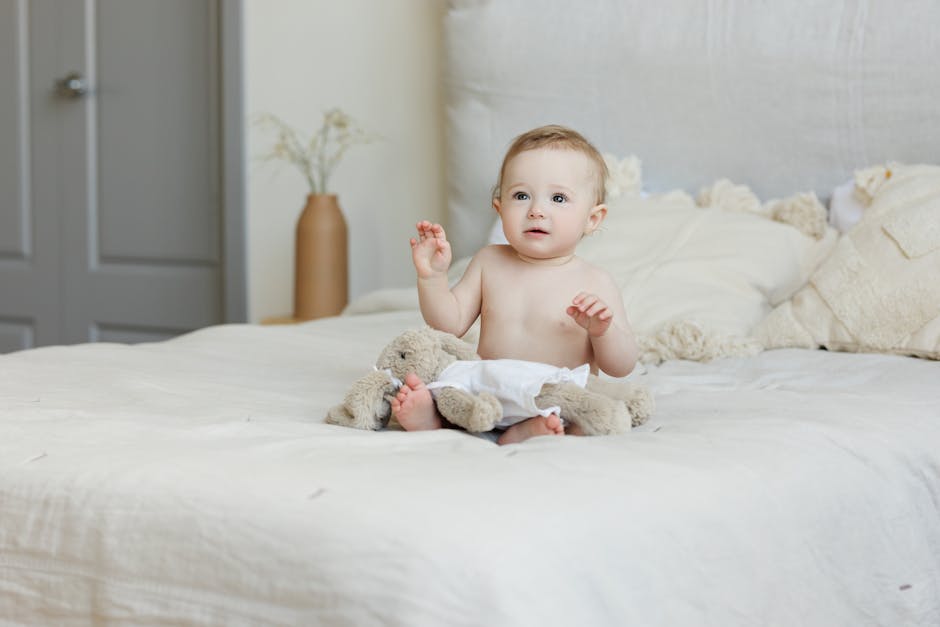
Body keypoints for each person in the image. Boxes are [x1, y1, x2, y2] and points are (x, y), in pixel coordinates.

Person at [391, 124, 639, 444]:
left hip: (552, 396)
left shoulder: (595, 281)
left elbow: (622, 366)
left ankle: (528, 430)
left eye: (558, 198)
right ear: (500, 208)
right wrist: (432, 277)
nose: (536, 210)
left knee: (592, 414)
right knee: (450, 381)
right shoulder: (489, 262)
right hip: (490, 389)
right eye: (521, 196)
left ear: (592, 219)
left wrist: (602, 331)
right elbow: (448, 324)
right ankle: (434, 417)